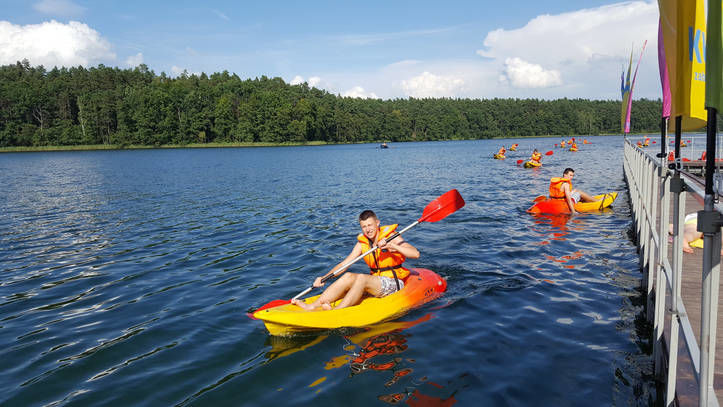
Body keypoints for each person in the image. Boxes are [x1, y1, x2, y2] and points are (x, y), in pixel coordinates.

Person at [292, 210, 420, 311]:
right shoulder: (361, 244)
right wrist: (324, 278)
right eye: (364, 226)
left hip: (394, 283)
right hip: (376, 281)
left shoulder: (391, 237)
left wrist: (393, 246)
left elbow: (415, 254)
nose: (367, 229)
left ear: (377, 223)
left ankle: (337, 310)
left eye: (370, 225)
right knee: (348, 275)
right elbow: (344, 264)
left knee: (361, 278)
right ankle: (313, 306)